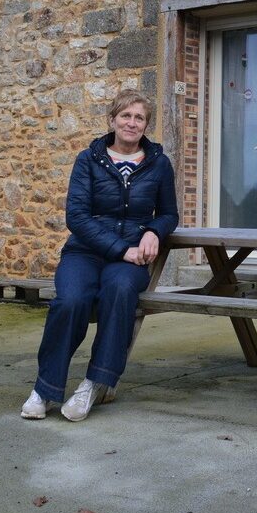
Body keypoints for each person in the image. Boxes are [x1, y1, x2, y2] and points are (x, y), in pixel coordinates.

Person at [21, 89, 178, 422]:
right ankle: (46, 389)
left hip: (132, 261)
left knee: (120, 293)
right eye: (126, 115)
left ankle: (95, 382)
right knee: (70, 301)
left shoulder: (159, 164)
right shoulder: (88, 159)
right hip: (86, 253)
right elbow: (76, 216)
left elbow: (168, 213)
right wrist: (122, 247)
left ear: (146, 124)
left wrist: (154, 231)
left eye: (139, 117)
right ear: (112, 120)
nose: (132, 123)